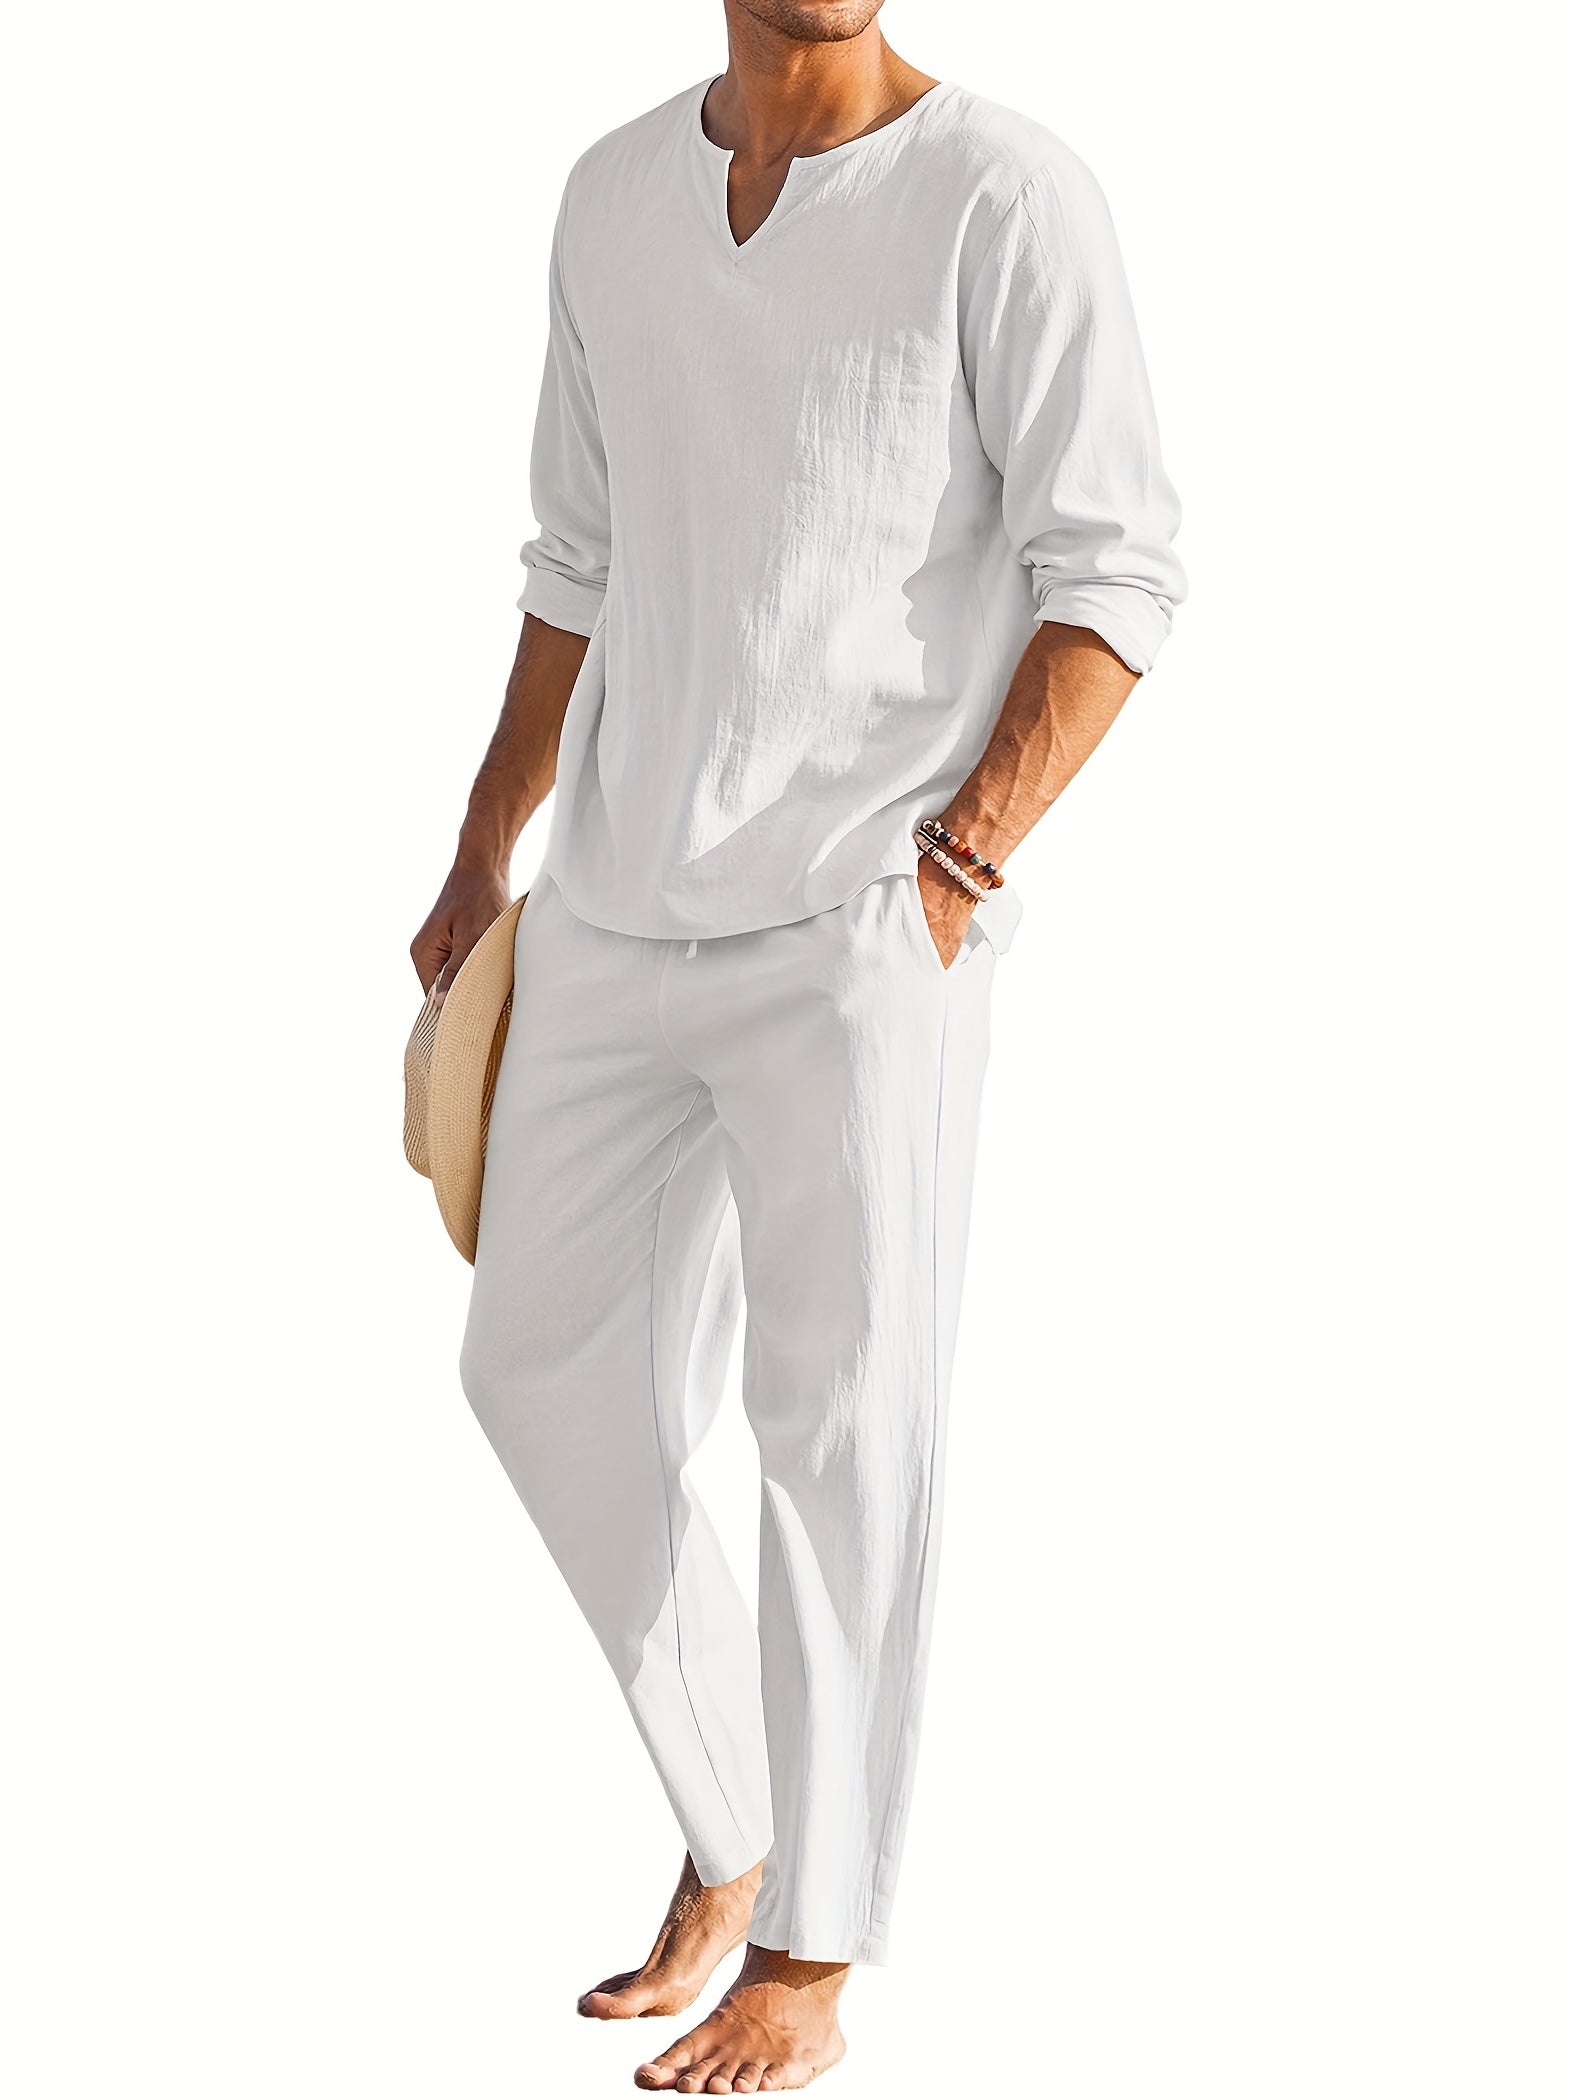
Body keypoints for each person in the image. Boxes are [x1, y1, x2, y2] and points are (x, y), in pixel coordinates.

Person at [410, 3, 1186, 2088]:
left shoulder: (1005, 195)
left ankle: (813, 1953)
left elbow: (1119, 566)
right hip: (614, 901)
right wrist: (485, 847)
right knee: (531, 1368)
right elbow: (573, 563)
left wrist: (958, 859)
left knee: (839, 1436)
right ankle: (735, 1820)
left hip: (858, 925)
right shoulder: (610, 198)